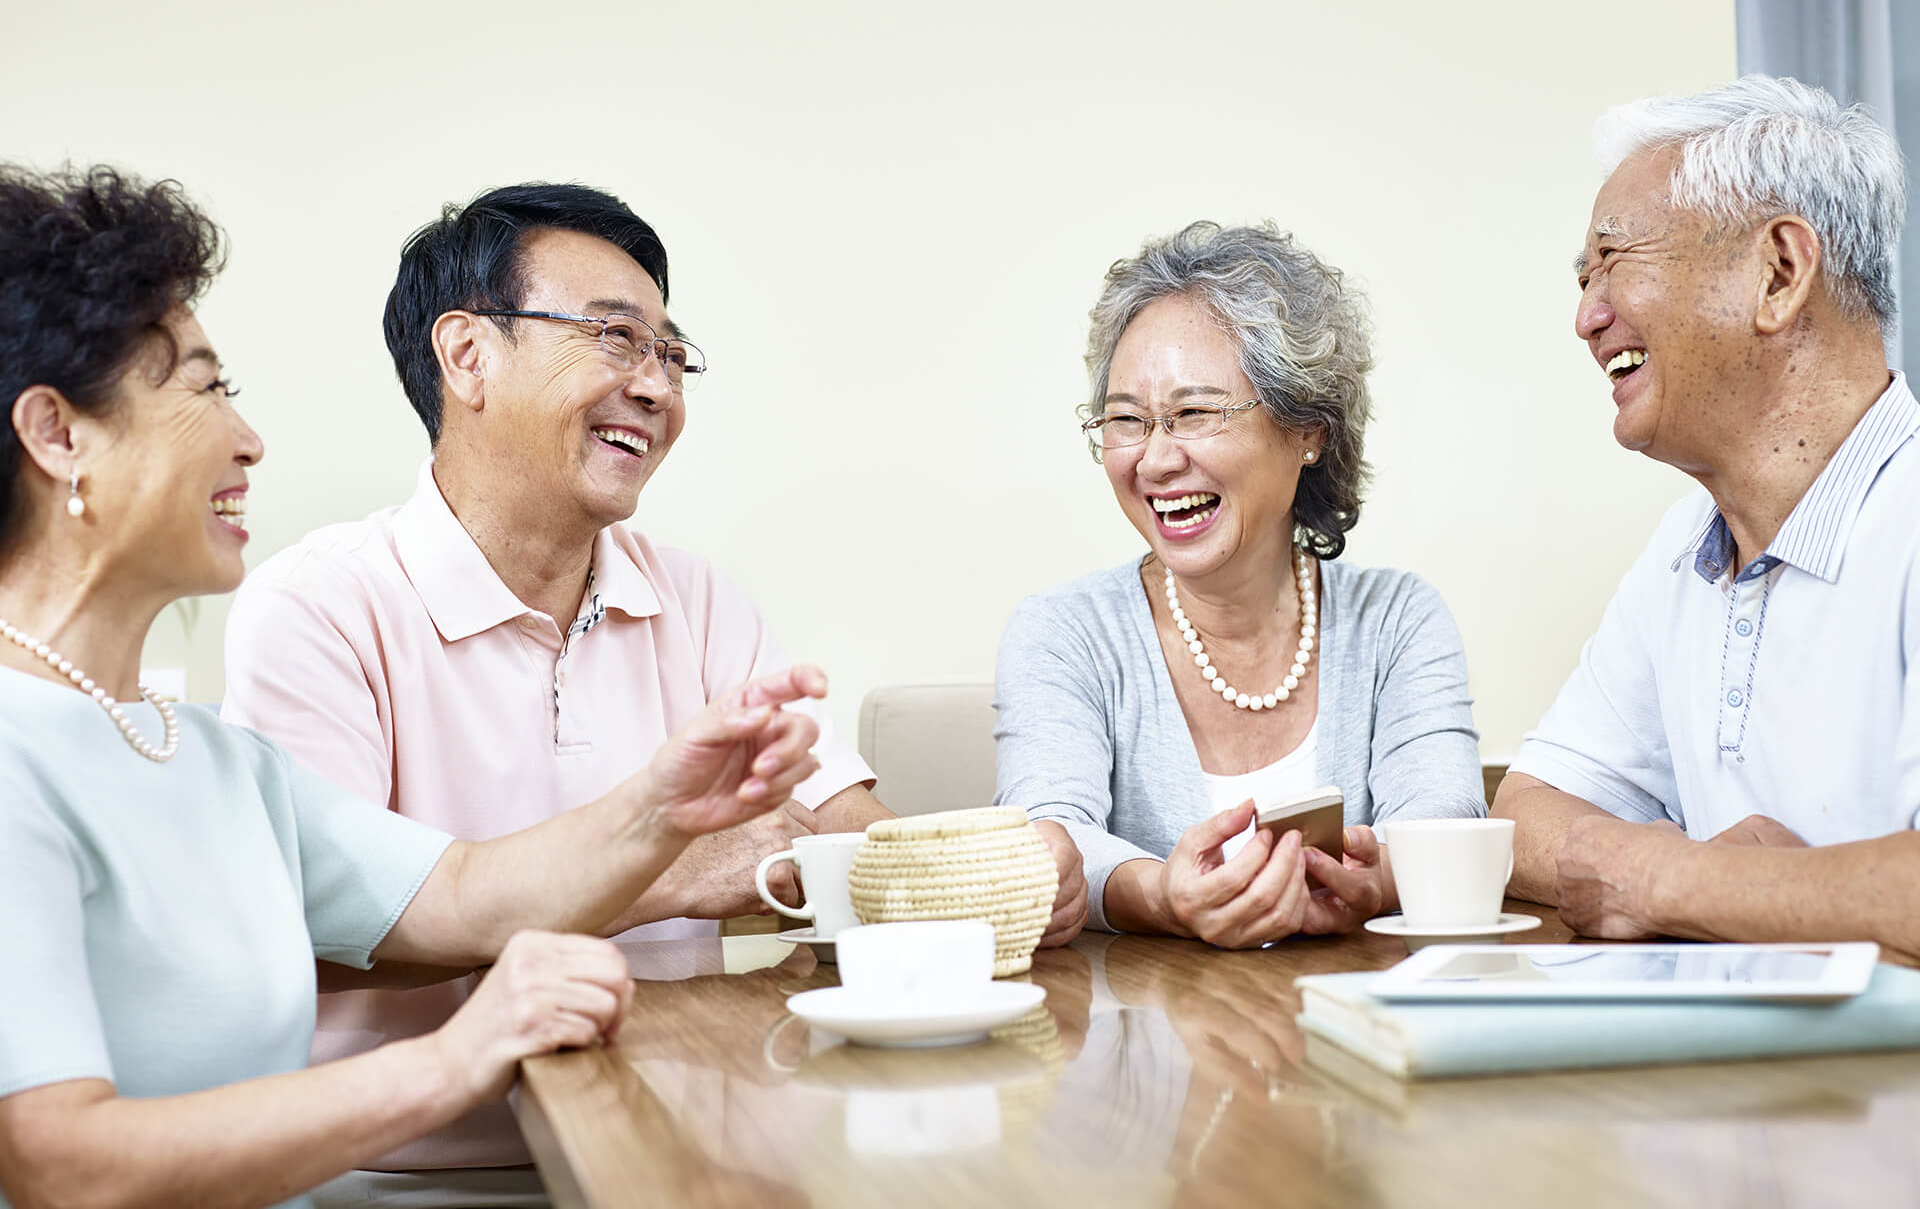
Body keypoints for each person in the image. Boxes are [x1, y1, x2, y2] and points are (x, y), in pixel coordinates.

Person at [0, 166, 828, 1209]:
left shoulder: (202, 754)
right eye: (207, 387)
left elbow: (456, 893)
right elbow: (55, 1163)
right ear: (57, 434)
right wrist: (454, 1055)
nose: (248, 438)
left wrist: (659, 808)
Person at [216, 181, 894, 1179]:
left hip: (683, 1150)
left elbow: (847, 830)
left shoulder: (698, 598)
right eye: (616, 339)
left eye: (671, 354)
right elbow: (319, 932)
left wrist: (1017, 875)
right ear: (468, 355)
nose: (658, 388)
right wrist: (666, 878)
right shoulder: (317, 607)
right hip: (424, 1172)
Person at [1492, 75, 1920, 962]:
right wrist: (1713, 880)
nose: (1586, 316)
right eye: (1583, 276)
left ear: (1779, 273)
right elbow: (1529, 803)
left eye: (1616, 261)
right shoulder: (1685, 547)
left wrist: (1674, 882)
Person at [995, 221, 1485, 950]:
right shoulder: (1063, 631)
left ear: (1307, 431)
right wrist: (1161, 895)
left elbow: (1440, 823)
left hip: (1362, 1035)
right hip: (1144, 1043)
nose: (1156, 460)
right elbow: (1052, 839)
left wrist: (1376, 884)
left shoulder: (1397, 620)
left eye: (1195, 413)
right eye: (1127, 421)